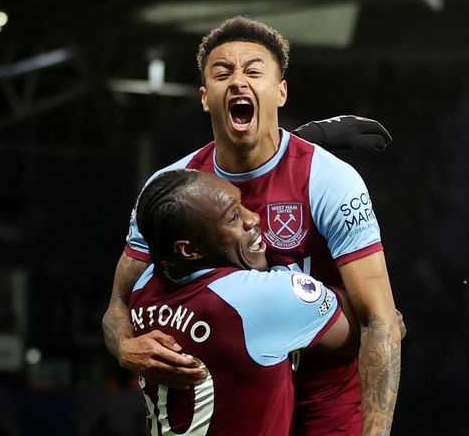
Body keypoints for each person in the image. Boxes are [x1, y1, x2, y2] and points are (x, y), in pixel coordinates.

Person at [102, 16, 401, 435]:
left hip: (326, 400)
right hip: (236, 397)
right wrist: (124, 347)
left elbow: (380, 321)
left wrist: (376, 432)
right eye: (222, 73)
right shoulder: (172, 189)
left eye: (254, 70)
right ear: (205, 97)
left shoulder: (329, 180)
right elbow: (118, 301)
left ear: (280, 91)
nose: (238, 81)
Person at [131, 169, 356, 435]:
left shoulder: (141, 290)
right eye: (233, 218)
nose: (254, 217)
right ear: (190, 250)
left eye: (242, 203)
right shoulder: (254, 298)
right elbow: (361, 328)